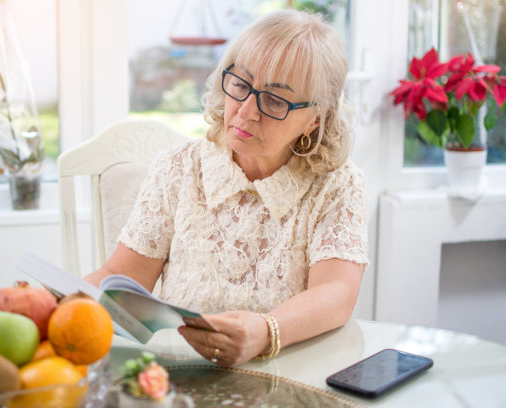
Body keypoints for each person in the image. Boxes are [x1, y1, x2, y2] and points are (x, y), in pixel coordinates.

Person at [85, 9, 368, 367]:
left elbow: (337, 293)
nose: (246, 111)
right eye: (240, 85)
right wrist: (56, 301)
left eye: (276, 100)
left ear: (315, 118)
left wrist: (267, 331)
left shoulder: (337, 183)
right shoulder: (178, 167)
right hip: (180, 375)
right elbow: (121, 277)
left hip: (289, 375)